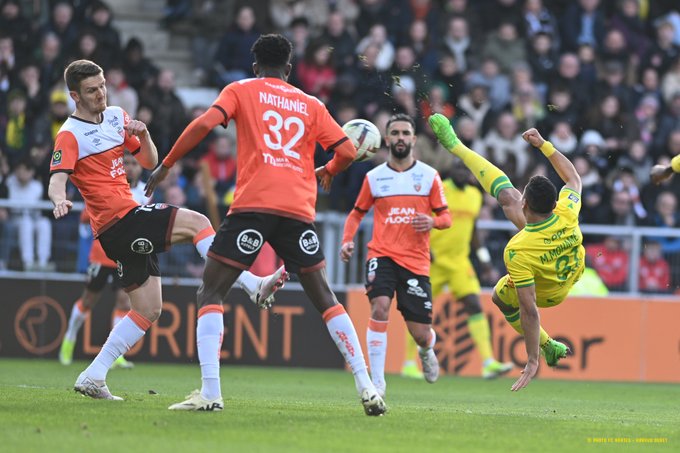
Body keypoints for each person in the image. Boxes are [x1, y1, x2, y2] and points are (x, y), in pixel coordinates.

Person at [144, 34, 386, 416]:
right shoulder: (311, 103)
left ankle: (210, 392)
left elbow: (204, 124)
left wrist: (167, 164)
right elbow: (346, 150)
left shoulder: (241, 89)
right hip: (298, 209)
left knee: (210, 293)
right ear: (289, 69)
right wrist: (327, 170)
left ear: (255, 66)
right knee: (325, 297)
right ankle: (367, 385)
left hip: (254, 206)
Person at [48, 59, 287, 401]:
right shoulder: (70, 135)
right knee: (199, 223)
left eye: (102, 86)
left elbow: (148, 162)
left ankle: (94, 374)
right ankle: (252, 285)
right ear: (75, 96)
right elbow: (57, 178)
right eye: (91, 90)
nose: (100, 94)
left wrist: (143, 135)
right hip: (119, 221)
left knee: (148, 309)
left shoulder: (116, 116)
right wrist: (60, 200)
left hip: (121, 226)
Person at [428, 113, 584, 391]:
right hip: (571, 269)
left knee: (501, 296)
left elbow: (530, 309)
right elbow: (572, 177)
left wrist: (533, 358)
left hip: (552, 290)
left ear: (528, 202)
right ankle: (456, 145)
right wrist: (544, 145)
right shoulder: (568, 210)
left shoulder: (518, 249)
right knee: (506, 196)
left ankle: (549, 345)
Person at [339, 113, 451, 398]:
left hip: (415, 261)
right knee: (379, 307)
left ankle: (426, 351)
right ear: (386, 139)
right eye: (395, 133)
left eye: (405, 133)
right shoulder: (374, 177)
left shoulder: (428, 176)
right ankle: (377, 383)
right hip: (382, 254)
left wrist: (432, 222)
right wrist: (347, 241)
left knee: (421, 334)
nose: (400, 138)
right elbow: (357, 213)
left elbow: (446, 217)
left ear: (413, 139)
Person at [402, 157, 514, 380]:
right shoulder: (439, 189)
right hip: (432, 260)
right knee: (419, 311)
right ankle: (408, 364)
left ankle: (488, 363)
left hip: (459, 262)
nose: (463, 172)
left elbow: (472, 231)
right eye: (459, 168)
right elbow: (419, 219)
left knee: (474, 305)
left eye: (466, 169)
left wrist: (483, 261)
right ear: (451, 170)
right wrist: (422, 247)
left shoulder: (475, 196)